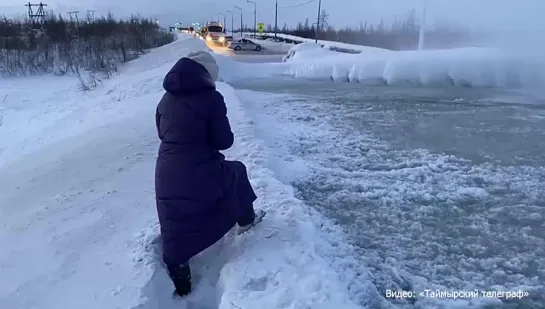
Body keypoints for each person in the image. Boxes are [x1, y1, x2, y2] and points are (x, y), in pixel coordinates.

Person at [154, 50, 265, 297]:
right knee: (237, 171)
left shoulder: (165, 99)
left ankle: (180, 273)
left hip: (165, 171)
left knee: (174, 212)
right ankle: (246, 222)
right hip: (199, 170)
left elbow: (162, 134)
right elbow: (223, 141)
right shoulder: (211, 98)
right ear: (207, 76)